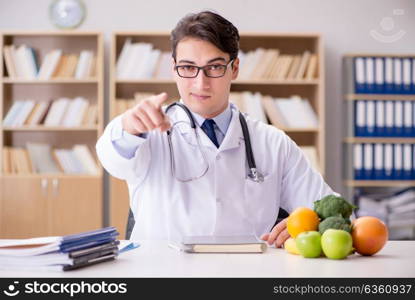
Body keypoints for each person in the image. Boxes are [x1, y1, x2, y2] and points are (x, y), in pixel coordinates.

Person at [96, 11, 335, 247]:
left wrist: (309, 226)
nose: (201, 83)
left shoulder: (273, 142)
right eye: (188, 67)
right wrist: (128, 126)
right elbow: (111, 156)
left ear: (235, 68)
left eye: (215, 67)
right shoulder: (148, 133)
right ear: (174, 68)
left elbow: (333, 211)